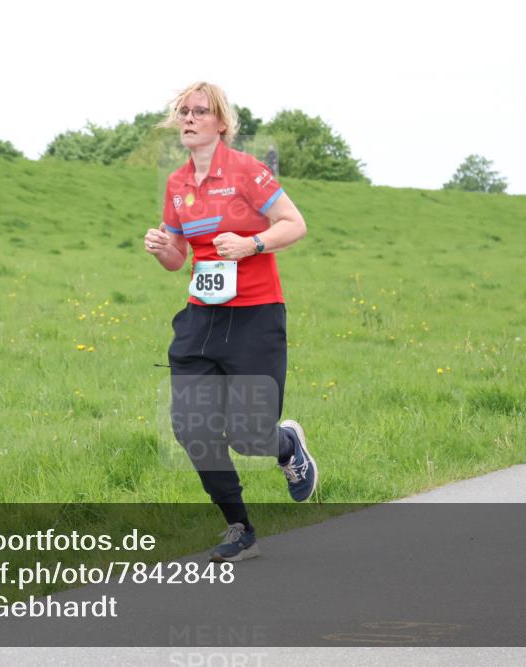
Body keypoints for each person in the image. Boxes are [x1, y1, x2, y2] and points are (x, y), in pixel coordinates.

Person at [143, 82, 318, 563]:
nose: (189, 118)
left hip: (256, 317)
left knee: (246, 436)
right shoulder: (178, 184)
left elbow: (293, 223)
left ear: (221, 121)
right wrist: (165, 250)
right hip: (202, 319)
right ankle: (239, 527)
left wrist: (252, 244)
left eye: (200, 111)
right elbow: (180, 259)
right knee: (192, 428)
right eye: (183, 111)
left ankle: (286, 446)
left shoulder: (247, 171)